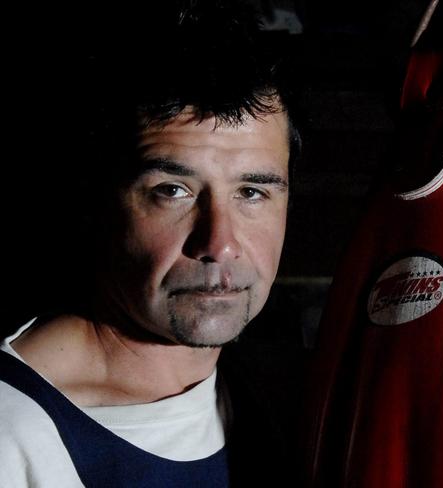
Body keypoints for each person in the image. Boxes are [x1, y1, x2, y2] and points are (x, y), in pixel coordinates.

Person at [0, 1, 300, 486]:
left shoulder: (275, 400)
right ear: (97, 201)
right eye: (172, 191)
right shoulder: (14, 436)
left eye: (252, 192)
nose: (220, 245)